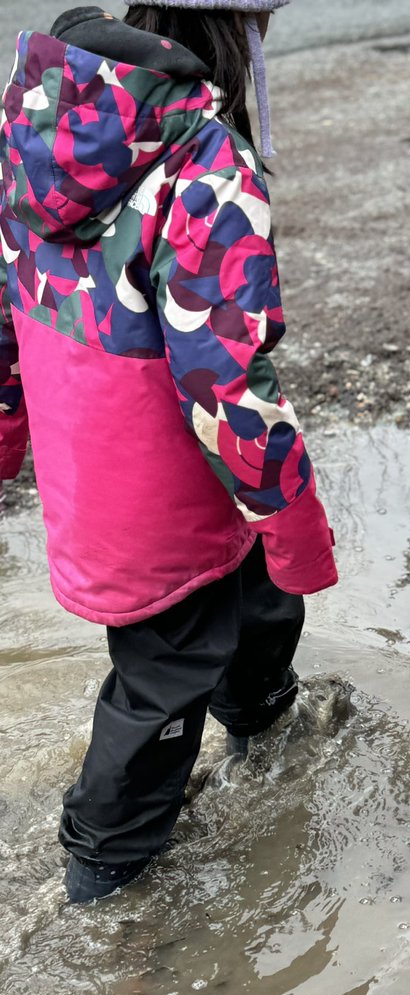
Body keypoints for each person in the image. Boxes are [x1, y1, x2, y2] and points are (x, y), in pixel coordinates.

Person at [0, 1, 338, 902]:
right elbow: (224, 379)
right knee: (164, 675)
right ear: (240, 35)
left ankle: (267, 729)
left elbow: (8, 302)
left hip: (90, 459)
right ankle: (101, 874)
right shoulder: (206, 162)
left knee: (257, 609)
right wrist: (296, 518)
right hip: (167, 487)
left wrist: (5, 434)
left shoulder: (41, 112)